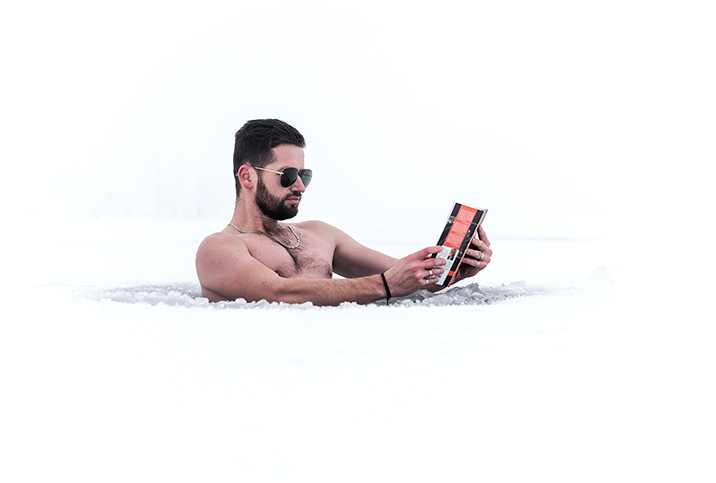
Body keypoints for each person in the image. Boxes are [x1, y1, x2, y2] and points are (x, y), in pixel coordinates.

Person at [196, 119, 492, 305]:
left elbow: (401, 274)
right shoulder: (220, 248)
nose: (300, 185)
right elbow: (279, 293)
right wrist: (387, 285)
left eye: (305, 174)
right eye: (287, 175)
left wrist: (451, 271)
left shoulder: (319, 234)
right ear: (247, 177)